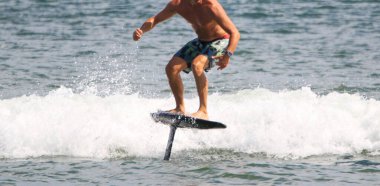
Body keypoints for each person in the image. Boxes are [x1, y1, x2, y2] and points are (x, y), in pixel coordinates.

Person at [133, 0, 240, 120]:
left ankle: (203, 111)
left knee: (197, 65)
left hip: (221, 40)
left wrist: (227, 55)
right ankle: (179, 108)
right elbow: (156, 19)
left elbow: (235, 33)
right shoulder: (177, 4)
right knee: (171, 68)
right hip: (201, 41)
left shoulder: (211, 6)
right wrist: (141, 30)